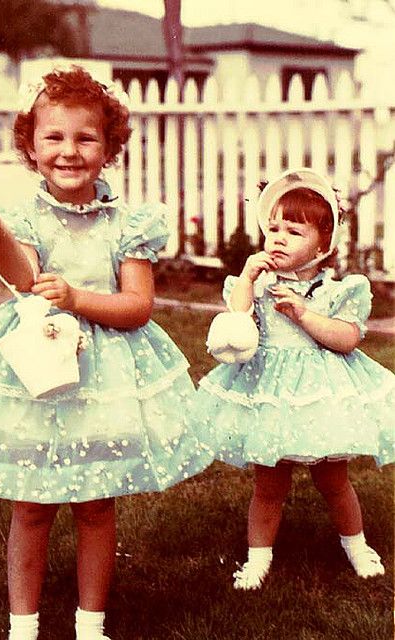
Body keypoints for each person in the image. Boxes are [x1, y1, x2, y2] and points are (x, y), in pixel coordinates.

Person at [0, 65, 213, 640]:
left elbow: (137, 306)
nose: (69, 151)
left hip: (105, 376)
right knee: (31, 505)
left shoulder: (128, 222)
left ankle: (90, 624)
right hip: (39, 372)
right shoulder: (25, 218)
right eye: (54, 137)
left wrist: (75, 297)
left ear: (109, 146)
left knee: (95, 503)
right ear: (30, 144)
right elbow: (24, 278)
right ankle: (24, 625)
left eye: (85, 137)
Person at [194, 168, 394, 590]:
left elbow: (347, 339)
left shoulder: (338, 290)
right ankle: (258, 558)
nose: (279, 238)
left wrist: (303, 314)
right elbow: (236, 319)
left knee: (333, 479)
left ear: (324, 245)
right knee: (269, 482)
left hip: (320, 396)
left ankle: (356, 545)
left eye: (294, 231)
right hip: (270, 394)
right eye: (273, 229)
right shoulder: (261, 285)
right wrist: (247, 279)